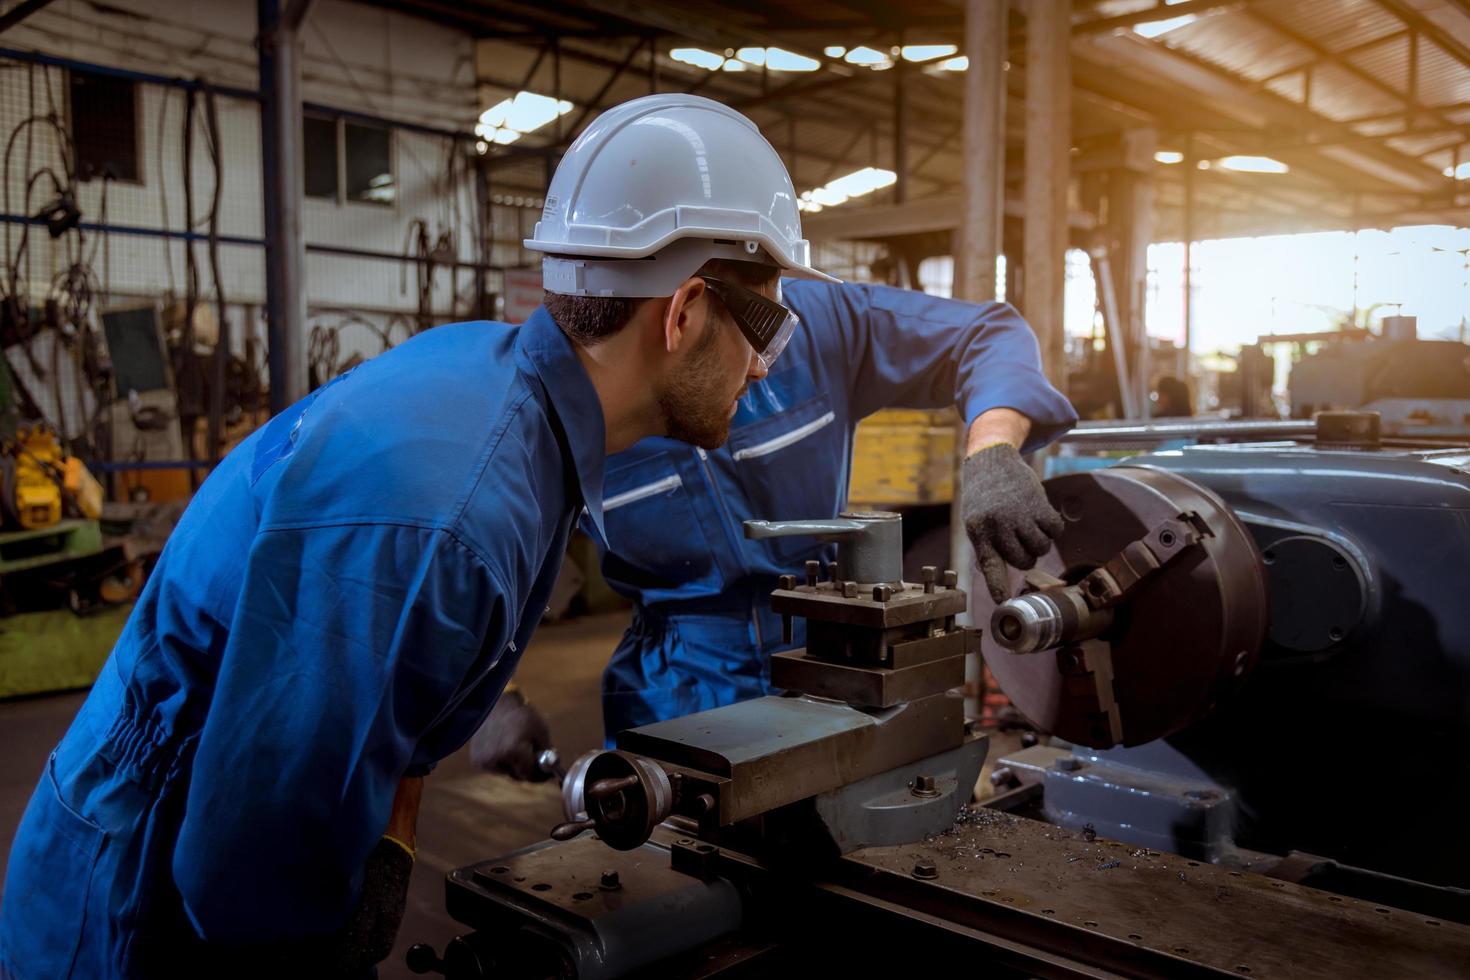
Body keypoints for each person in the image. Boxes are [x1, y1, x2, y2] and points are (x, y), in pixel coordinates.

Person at [0, 93, 833, 979]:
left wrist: (444, 714)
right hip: (130, 914)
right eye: (768, 324)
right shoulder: (452, 514)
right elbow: (239, 885)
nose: (768, 363)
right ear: (685, 310)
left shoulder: (502, 396)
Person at [472, 271, 1079, 767]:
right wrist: (486, 692)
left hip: (835, 658)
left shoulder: (813, 326)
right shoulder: (568, 392)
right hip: (674, 685)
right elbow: (489, 546)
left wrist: (993, 448)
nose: (762, 366)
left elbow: (985, 334)